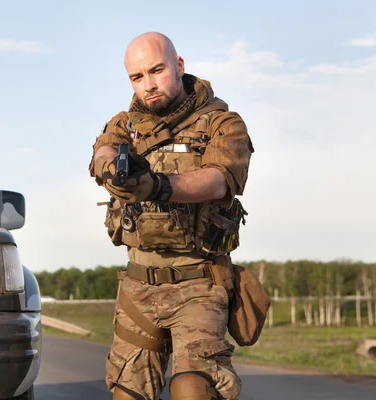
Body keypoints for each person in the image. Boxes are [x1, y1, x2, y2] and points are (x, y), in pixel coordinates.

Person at [88, 32, 255, 400]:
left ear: (179, 66)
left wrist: (159, 185)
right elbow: (102, 152)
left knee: (193, 388)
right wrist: (112, 171)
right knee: (127, 393)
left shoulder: (222, 124)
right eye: (137, 77)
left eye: (157, 70)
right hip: (137, 285)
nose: (148, 85)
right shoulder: (125, 124)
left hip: (198, 283)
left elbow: (218, 179)